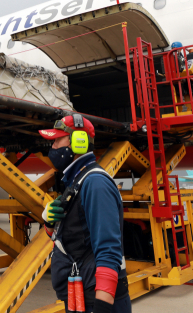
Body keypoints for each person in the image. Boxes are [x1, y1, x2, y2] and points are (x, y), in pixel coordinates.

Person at [39, 114, 131, 313]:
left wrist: (102, 308)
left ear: (78, 142)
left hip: (96, 302)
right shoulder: (78, 181)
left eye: (57, 140)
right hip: (81, 298)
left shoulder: (95, 183)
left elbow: (109, 251)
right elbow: (73, 242)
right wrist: (49, 223)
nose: (52, 147)